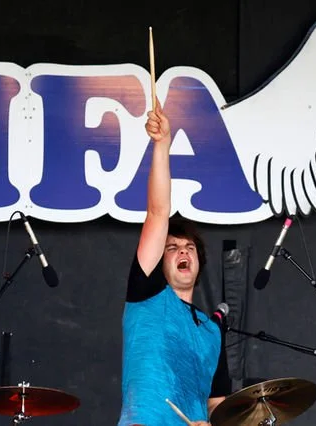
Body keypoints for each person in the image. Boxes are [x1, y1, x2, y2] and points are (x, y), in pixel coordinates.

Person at [117, 101, 231, 425]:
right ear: (159, 261)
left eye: (189, 247)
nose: (183, 252)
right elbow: (158, 212)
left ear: (198, 262)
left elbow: (218, 404)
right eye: (172, 247)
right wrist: (162, 144)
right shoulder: (148, 294)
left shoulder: (212, 331)